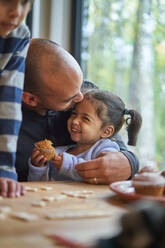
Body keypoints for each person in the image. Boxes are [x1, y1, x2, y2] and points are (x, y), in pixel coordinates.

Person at [16, 38, 139, 184]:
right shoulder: (9, 121)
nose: (80, 96)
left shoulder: (86, 96)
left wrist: (130, 162)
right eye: (69, 99)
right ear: (31, 99)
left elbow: (116, 146)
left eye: (80, 86)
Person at [28, 89, 142, 182]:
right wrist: (38, 168)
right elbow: (41, 187)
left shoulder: (106, 149)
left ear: (106, 131)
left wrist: (68, 164)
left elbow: (97, 173)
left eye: (85, 118)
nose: (74, 121)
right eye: (74, 114)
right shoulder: (58, 152)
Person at [0, 0, 33, 198]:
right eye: (7, 1)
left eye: (25, 2)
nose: (16, 12)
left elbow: (7, 104)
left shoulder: (18, 34)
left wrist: (3, 169)